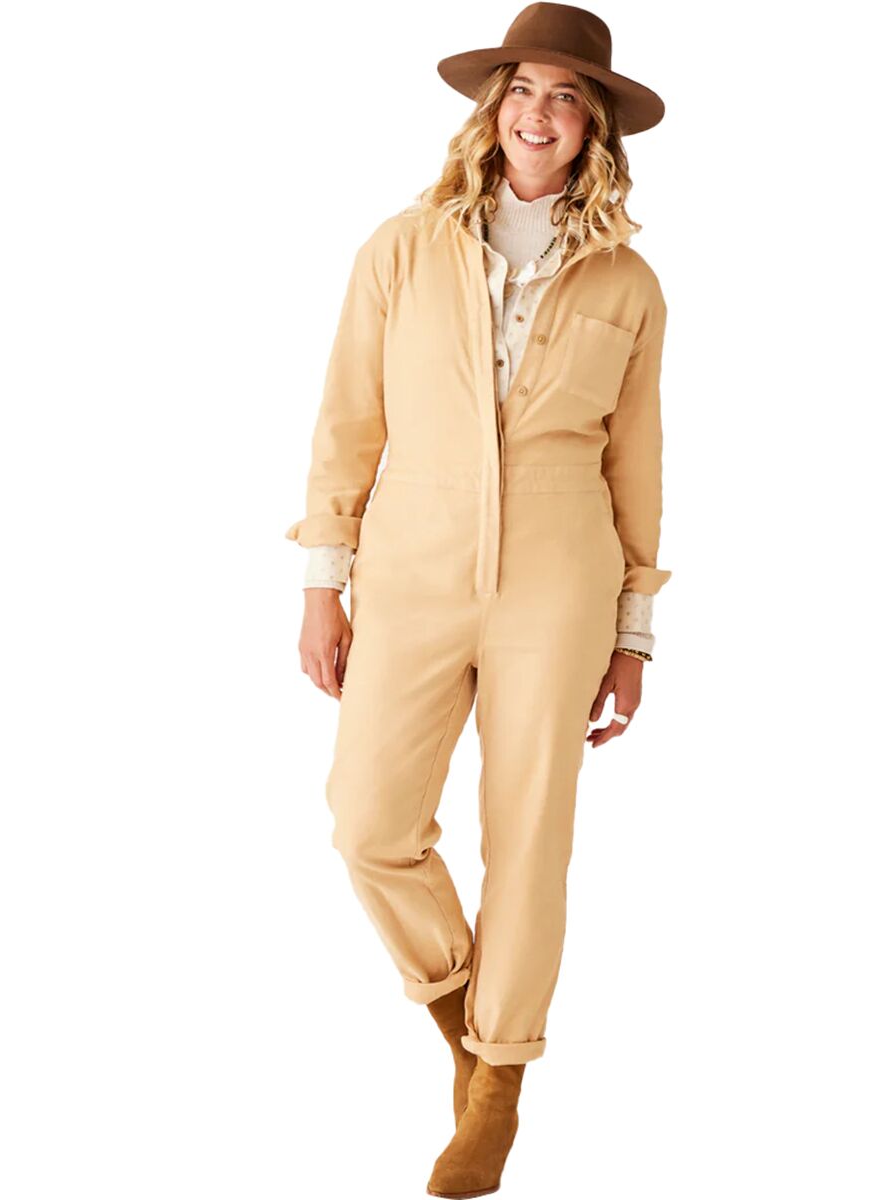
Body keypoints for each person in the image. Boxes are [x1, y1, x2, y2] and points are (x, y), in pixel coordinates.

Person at [286, 5, 670, 1194]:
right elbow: (348, 421)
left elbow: (637, 464)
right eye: (523, 90)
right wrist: (323, 583)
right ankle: (464, 1017)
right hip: (412, 562)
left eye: (566, 96)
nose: (539, 114)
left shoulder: (628, 281)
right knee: (367, 822)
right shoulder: (403, 249)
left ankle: (499, 1082)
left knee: (530, 832)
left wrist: (634, 634)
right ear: (493, 107)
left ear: (593, 126)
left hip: (561, 574)